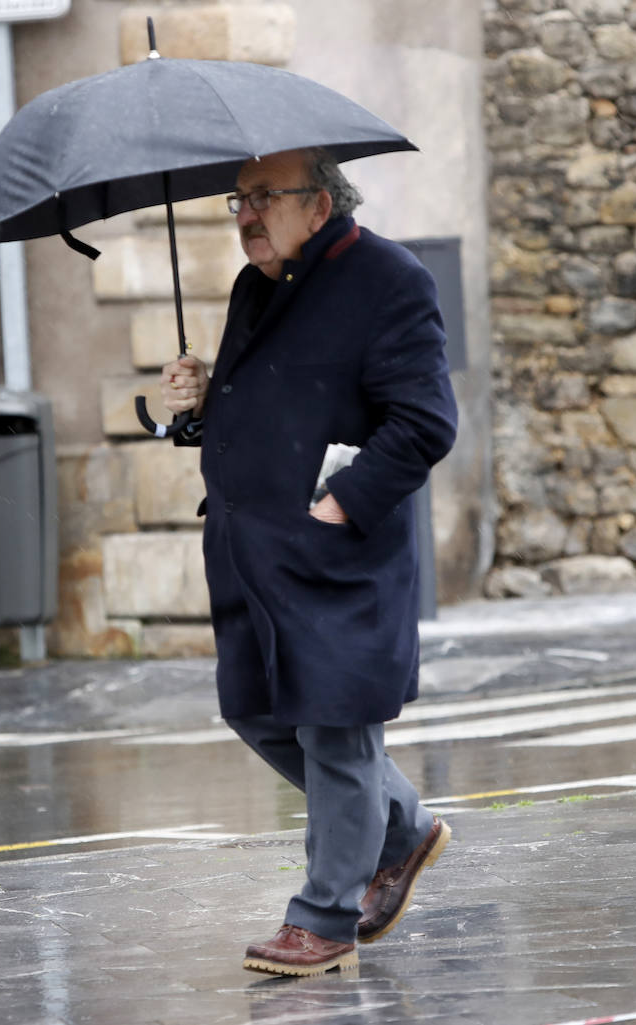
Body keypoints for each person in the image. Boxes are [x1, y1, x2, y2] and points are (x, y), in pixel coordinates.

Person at [159, 147, 458, 977]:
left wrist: (338, 503)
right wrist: (201, 399)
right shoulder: (257, 285)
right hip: (249, 555)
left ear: (318, 205)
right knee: (254, 710)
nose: (245, 214)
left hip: (338, 556)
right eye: (238, 199)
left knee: (334, 729)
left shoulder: (390, 280)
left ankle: (324, 916)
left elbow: (425, 422)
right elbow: (270, 404)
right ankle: (401, 829)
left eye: (263, 198)